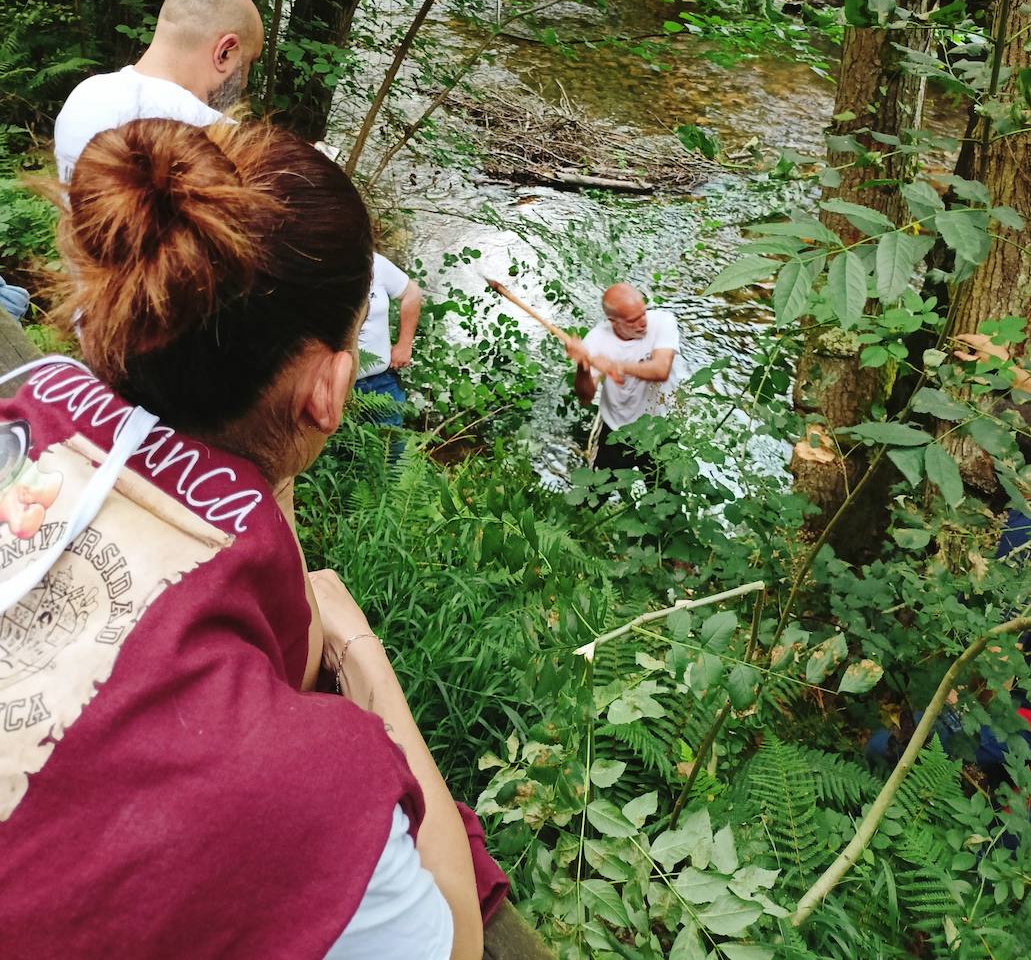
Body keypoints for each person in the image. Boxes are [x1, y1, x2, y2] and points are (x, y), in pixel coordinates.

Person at [0, 117, 501, 959]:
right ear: (329, 390)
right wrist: (360, 653)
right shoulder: (292, 784)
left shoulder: (26, 419)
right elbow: (447, 937)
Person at [53, 0, 264, 182]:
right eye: (247, 63)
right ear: (225, 52)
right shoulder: (220, 139)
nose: (244, 81)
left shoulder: (85, 96)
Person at [566, 282, 681, 472]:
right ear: (613, 322)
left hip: (660, 428)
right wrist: (582, 366)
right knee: (599, 487)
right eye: (632, 320)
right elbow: (585, 397)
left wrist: (614, 366)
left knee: (667, 487)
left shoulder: (663, 321)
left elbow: (661, 370)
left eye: (643, 313)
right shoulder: (596, 340)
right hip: (616, 431)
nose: (643, 322)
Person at [353, 253, 423, 428]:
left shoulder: (373, 262)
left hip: (383, 383)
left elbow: (412, 293)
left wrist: (404, 344)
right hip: (335, 387)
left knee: (391, 443)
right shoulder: (310, 269)